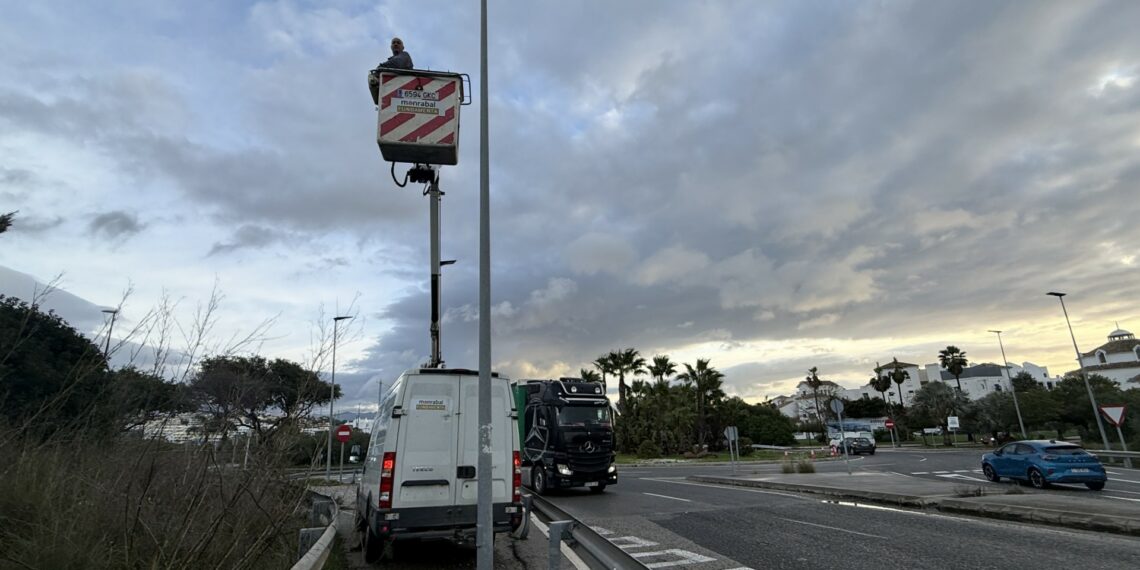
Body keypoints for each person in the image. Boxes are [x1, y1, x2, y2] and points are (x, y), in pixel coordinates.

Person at [369, 37, 414, 105]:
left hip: (406, 89)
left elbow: (398, 63)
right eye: (394, 43)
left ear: (403, 47)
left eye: (398, 43)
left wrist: (380, 67)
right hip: (394, 93)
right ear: (391, 47)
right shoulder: (391, 61)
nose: (396, 44)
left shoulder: (405, 55)